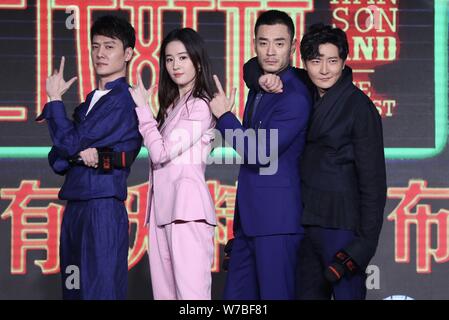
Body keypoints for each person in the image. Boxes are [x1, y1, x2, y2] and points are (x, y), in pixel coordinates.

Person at [243, 23, 387, 300]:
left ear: (344, 62)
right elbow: (255, 66)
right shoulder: (305, 88)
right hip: (305, 224)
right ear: (305, 62)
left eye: (333, 61)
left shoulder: (359, 107)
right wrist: (262, 80)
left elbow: (373, 183)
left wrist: (362, 247)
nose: (324, 70)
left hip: (343, 228)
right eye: (316, 61)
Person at [36, 15, 142, 299]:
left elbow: (68, 146)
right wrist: (74, 152)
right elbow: (57, 159)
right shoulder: (88, 103)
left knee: (100, 291)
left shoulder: (122, 101)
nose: (100, 53)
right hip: (76, 207)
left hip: (101, 209)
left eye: (110, 46)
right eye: (95, 46)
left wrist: (55, 101)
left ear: (128, 53)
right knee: (74, 291)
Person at [209, 10, 311, 299]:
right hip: (248, 223)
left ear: (293, 47)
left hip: (278, 221)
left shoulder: (295, 96)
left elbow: (260, 152)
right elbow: (250, 68)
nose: (270, 51)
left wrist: (224, 117)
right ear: (254, 44)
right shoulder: (262, 83)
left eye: (279, 43)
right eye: (263, 42)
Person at [129, 28, 217, 300]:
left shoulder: (201, 106)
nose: (175, 65)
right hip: (161, 212)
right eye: (169, 59)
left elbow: (161, 153)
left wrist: (143, 112)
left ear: (197, 62)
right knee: (165, 295)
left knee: (192, 297)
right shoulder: (171, 107)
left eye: (182, 58)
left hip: (187, 211)